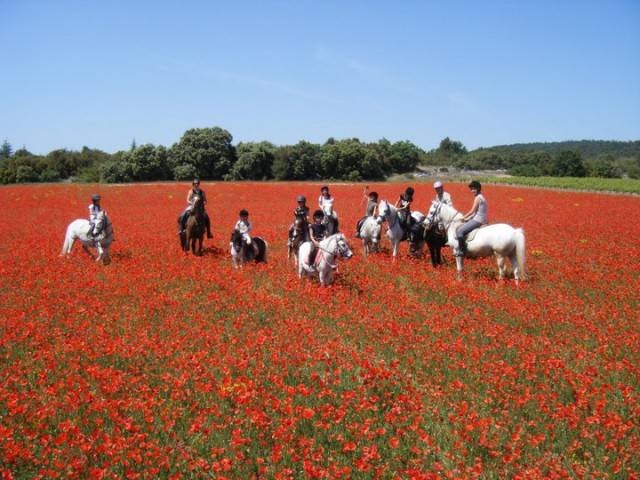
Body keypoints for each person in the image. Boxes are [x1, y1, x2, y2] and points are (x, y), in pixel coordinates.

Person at [455, 180, 488, 256]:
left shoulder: (478, 198)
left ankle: (462, 250)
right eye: (471, 189)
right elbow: (476, 212)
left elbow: (472, 211)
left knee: (459, 231)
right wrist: (468, 218)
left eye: (474, 189)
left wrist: (463, 218)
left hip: (478, 220)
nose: (472, 191)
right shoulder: (482, 197)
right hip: (482, 218)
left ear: (478, 189)